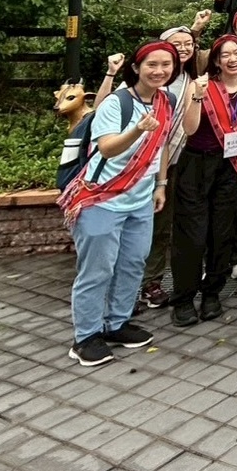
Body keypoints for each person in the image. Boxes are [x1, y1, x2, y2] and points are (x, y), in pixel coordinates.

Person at [60, 41, 177, 367]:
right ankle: (85, 337)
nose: (159, 71)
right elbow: (108, 148)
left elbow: (162, 145)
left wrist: (161, 185)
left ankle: (116, 323)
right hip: (101, 197)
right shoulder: (117, 102)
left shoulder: (166, 100)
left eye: (166, 64)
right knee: (97, 270)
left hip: (140, 199)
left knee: (133, 263)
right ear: (136, 67)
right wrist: (138, 129)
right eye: (152, 64)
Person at [170, 35, 237, 327]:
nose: (233, 59)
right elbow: (189, 128)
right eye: (225, 55)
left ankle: (212, 293)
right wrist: (197, 96)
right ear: (216, 61)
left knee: (222, 233)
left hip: (227, 167)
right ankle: (183, 298)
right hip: (196, 164)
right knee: (192, 235)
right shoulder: (200, 86)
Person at [138, 16, 211, 309]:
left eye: (188, 44)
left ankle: (154, 280)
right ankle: (138, 282)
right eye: (176, 45)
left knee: (167, 222)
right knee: (146, 223)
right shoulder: (152, 79)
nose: (183, 49)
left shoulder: (192, 79)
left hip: (177, 159)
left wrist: (196, 31)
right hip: (143, 160)